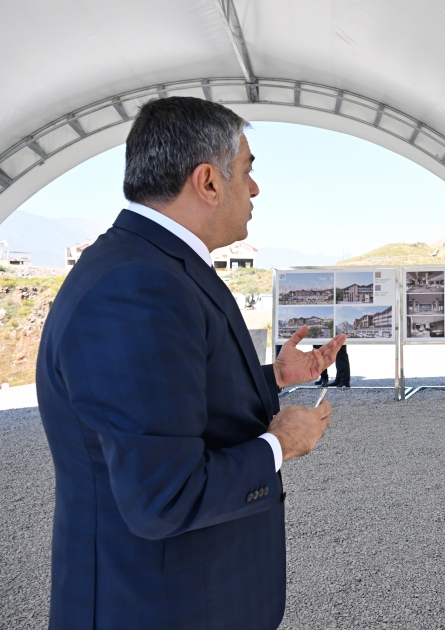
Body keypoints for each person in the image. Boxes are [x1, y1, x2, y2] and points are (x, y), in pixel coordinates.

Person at [36, 96, 346, 630]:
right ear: (207, 182)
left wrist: (274, 378)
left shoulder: (150, 262)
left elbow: (169, 399)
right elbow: (165, 497)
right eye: (247, 172)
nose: (253, 189)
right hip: (163, 607)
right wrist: (279, 443)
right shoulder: (137, 285)